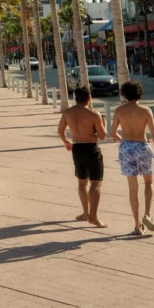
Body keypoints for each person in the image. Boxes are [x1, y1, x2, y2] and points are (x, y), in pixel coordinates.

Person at [111, 80, 154, 236]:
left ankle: (137, 226)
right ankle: (147, 215)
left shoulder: (119, 110)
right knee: (148, 182)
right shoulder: (145, 111)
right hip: (142, 146)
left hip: (126, 147)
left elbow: (112, 133)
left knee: (133, 188)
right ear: (140, 93)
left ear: (124, 94)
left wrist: (124, 141)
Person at [57, 86, 107, 228]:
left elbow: (60, 130)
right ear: (89, 98)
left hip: (77, 147)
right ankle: (93, 216)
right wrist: (103, 124)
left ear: (75, 98)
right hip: (91, 148)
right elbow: (102, 136)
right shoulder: (94, 114)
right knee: (96, 182)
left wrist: (67, 142)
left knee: (82, 182)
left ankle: (85, 212)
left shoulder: (67, 113)